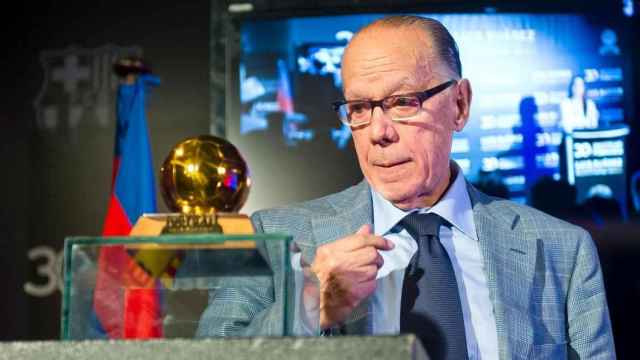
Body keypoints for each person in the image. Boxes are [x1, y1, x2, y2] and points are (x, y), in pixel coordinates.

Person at [197, 15, 615, 359]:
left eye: (402, 102)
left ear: (460, 105)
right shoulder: (276, 237)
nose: (378, 131)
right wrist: (308, 308)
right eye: (359, 108)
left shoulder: (563, 249)